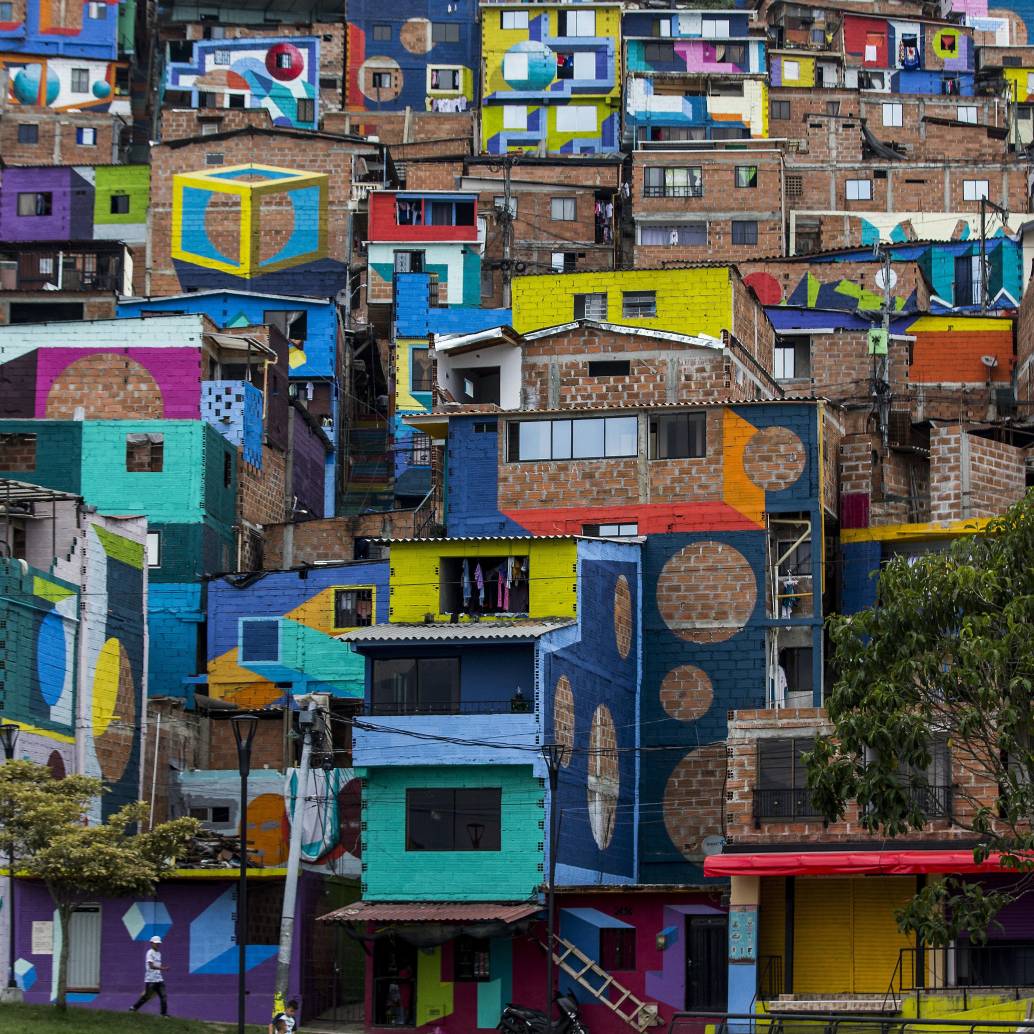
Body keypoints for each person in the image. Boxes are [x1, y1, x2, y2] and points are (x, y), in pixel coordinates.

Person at [130, 935, 167, 1016]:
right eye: (156, 943)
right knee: (146, 997)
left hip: (159, 979)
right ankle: (133, 1008)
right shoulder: (149, 953)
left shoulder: (159, 953)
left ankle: (163, 1014)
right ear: (151, 943)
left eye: (158, 943)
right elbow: (151, 966)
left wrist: (161, 970)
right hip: (150, 980)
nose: (157, 944)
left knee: (163, 996)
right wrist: (162, 968)